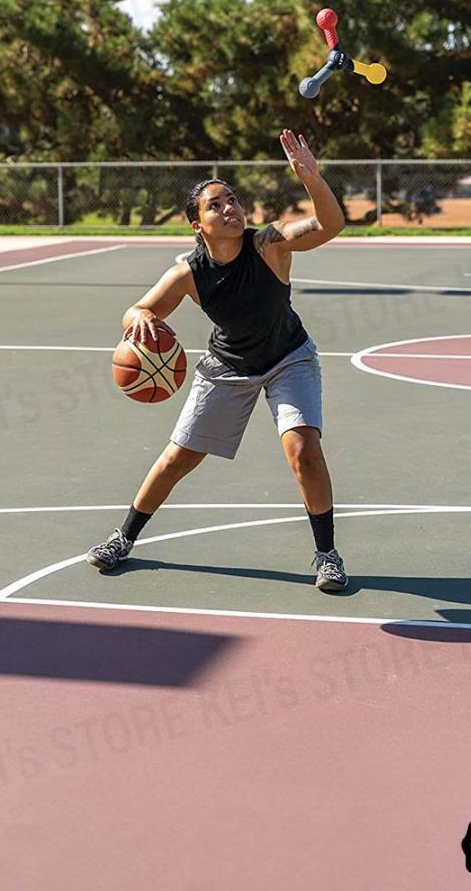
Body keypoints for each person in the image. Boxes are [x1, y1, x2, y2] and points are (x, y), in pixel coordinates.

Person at [87, 129, 348, 590]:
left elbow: (330, 225)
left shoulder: (268, 245)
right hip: (228, 367)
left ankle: (327, 555)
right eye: (215, 205)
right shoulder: (189, 273)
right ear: (197, 224)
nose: (230, 208)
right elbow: (136, 309)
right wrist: (141, 318)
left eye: (232, 200)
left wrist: (312, 179)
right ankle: (123, 537)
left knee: (303, 448)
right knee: (177, 459)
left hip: (289, 357)